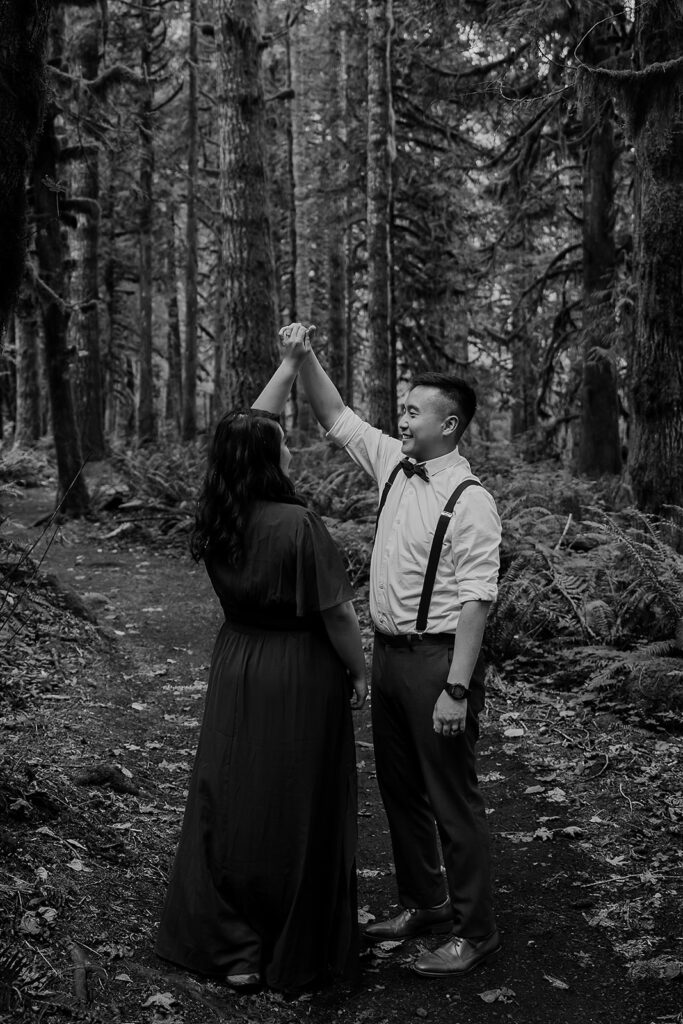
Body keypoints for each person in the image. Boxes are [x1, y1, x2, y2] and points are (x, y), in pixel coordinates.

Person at [279, 322, 502, 978]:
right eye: (401, 409)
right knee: (400, 791)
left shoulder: (471, 501)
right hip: (391, 658)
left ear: (450, 424)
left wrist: (457, 689)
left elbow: (476, 599)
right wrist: (304, 356)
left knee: (451, 799)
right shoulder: (392, 466)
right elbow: (335, 414)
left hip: (438, 663)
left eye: (412, 410)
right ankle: (424, 903)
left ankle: (475, 931)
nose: (399, 418)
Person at [155, 345, 367, 994]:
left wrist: (287, 361)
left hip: (237, 663)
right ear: (267, 457)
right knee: (297, 797)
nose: (288, 452)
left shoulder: (218, 517)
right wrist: (359, 672)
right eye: (281, 445)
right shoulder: (298, 525)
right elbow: (336, 616)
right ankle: (291, 942)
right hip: (300, 670)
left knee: (232, 790)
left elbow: (243, 428)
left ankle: (233, 945)